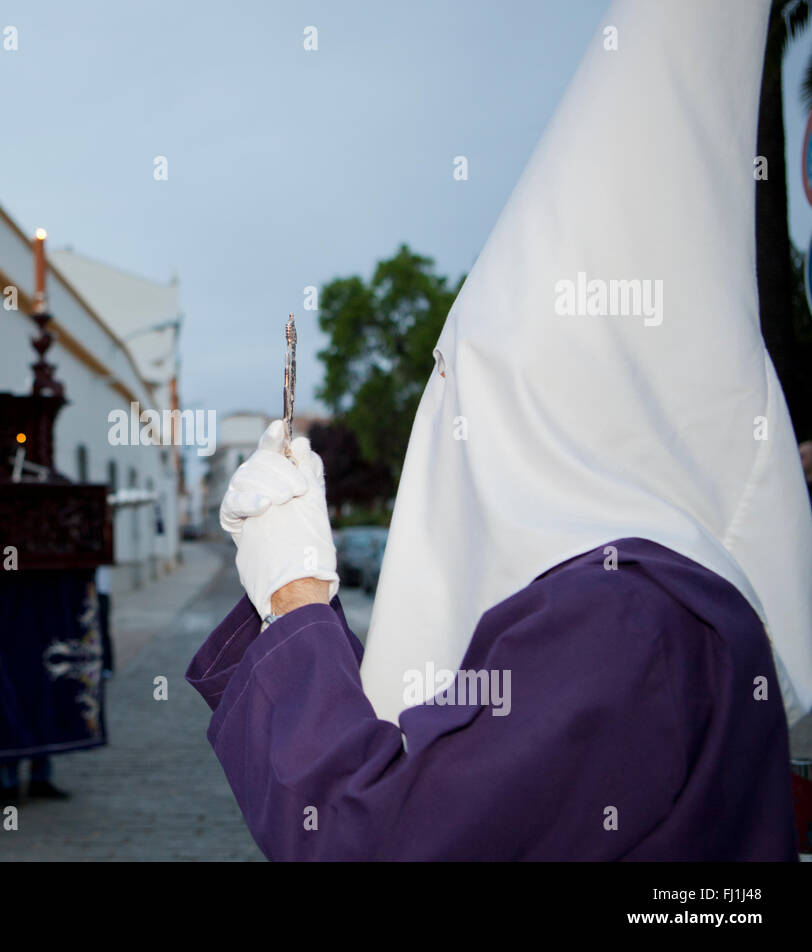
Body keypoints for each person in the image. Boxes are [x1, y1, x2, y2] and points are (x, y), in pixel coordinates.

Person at [188, 0, 811, 861]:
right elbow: (474, 764)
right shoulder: (666, 600)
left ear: (555, 399)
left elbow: (377, 843)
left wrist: (295, 602)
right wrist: (301, 617)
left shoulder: (627, 619)